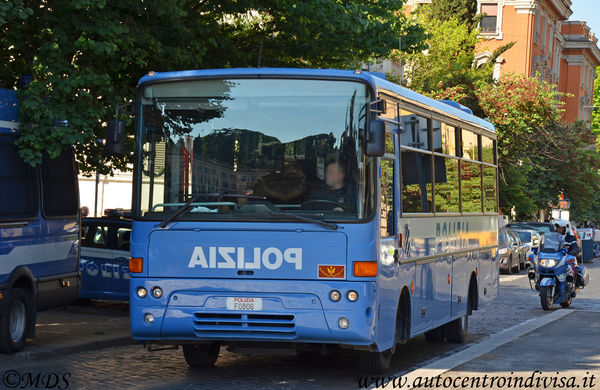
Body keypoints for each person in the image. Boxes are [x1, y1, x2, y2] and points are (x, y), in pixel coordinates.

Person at [554, 219, 583, 287]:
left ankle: (573, 284)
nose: (559, 229)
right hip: (555, 258)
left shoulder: (571, 238)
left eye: (560, 228)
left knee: (572, 269)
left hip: (567, 258)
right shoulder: (553, 237)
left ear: (566, 228)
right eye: (558, 228)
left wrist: (573, 252)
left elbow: (575, 247)